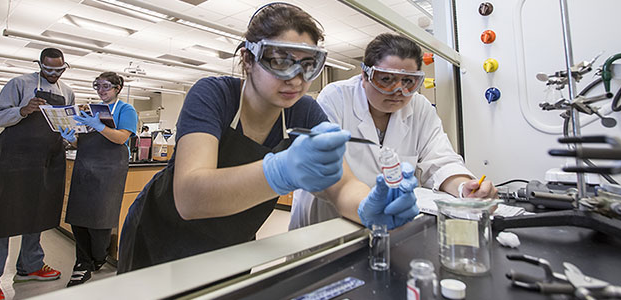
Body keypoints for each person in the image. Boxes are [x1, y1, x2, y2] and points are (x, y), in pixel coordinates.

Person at [117, 3, 420, 274]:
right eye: (280, 61)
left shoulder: (305, 112)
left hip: (235, 242)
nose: (296, 78)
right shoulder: (213, 95)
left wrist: (370, 206)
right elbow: (189, 197)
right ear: (248, 59)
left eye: (308, 64)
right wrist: (281, 170)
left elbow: (343, 186)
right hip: (163, 235)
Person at [290, 33, 499, 230]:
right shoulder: (336, 98)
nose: (398, 91)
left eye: (408, 81)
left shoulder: (419, 107)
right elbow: (326, 169)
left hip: (392, 223)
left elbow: (441, 161)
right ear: (365, 75)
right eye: (386, 79)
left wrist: (465, 188)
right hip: (334, 221)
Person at [0, 47, 74, 300]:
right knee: (3, 217)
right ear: (40, 65)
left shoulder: (67, 91)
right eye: (48, 69)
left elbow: (65, 127)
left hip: (50, 159)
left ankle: (30, 265)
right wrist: (23, 110)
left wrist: (75, 129)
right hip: (17, 160)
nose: (53, 74)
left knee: (39, 212)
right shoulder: (19, 84)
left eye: (59, 69)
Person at [59, 72, 138, 287]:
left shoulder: (125, 110)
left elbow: (122, 137)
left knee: (100, 219)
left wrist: (101, 126)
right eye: (97, 86)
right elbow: (81, 142)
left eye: (106, 86)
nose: (101, 91)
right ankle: (82, 263)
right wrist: (70, 138)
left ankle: (98, 257)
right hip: (85, 167)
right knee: (78, 216)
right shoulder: (88, 110)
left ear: (118, 88)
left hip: (109, 169)